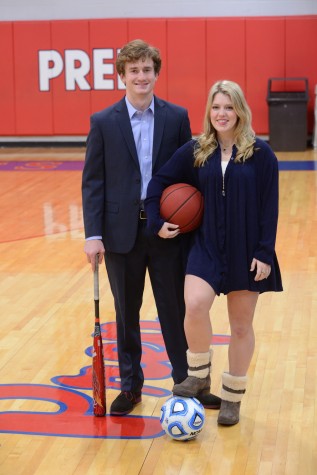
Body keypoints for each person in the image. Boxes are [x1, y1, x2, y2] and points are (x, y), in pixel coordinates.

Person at [82, 39, 221, 416]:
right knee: (127, 314)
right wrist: (93, 235)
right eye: (134, 71)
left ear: (156, 73)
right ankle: (131, 387)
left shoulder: (176, 117)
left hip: (167, 231)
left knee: (175, 310)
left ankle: (187, 380)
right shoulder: (103, 122)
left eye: (147, 69)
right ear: (122, 76)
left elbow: (188, 175)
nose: (141, 76)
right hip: (119, 234)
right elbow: (93, 181)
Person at [145, 80, 283, 426]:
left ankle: (233, 396)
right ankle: (199, 373)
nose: (222, 114)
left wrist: (264, 252)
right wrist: (157, 222)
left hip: (247, 249)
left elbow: (270, 207)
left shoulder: (261, 154)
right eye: (216, 107)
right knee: (194, 304)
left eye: (228, 107)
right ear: (209, 111)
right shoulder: (197, 150)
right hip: (205, 246)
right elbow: (158, 182)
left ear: (240, 110)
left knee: (240, 326)